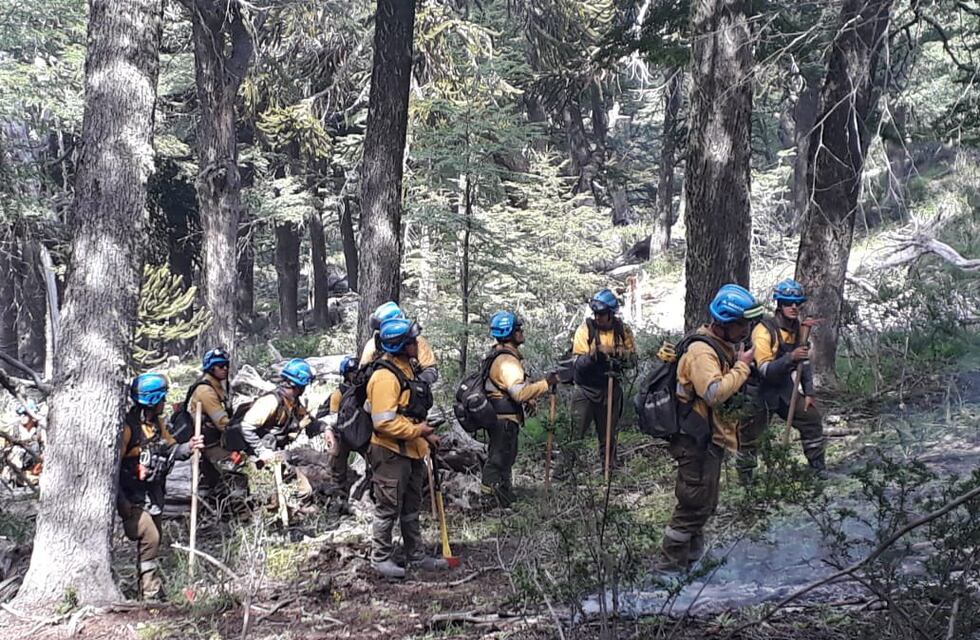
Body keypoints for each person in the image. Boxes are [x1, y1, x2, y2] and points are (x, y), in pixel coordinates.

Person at [656, 284, 762, 571]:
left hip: (706, 439)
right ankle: (668, 570)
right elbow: (713, 392)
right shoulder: (702, 352)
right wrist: (742, 368)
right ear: (724, 323)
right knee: (692, 505)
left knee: (703, 505)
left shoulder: (719, 346)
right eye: (742, 324)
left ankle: (691, 565)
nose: (746, 330)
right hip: (694, 441)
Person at [366, 317, 444, 578]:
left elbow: (409, 411)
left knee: (412, 506)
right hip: (390, 453)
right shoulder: (385, 377)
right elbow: (383, 422)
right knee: (388, 507)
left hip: (411, 449)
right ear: (402, 345)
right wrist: (417, 431)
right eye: (412, 341)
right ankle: (381, 558)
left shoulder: (407, 369)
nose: (417, 344)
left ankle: (416, 556)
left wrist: (425, 437)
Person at [118, 373, 203, 599]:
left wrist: (189, 446)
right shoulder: (128, 429)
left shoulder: (157, 424)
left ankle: (144, 587)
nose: (165, 403)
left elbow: (172, 449)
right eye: (162, 399)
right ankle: (151, 592)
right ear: (153, 400)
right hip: (132, 496)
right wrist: (122, 502)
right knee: (151, 536)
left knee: (154, 540)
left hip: (153, 494)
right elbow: (113, 469)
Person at [739, 279, 826, 483]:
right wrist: (791, 358)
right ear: (779, 304)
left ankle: (817, 469)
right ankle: (746, 483)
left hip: (784, 390)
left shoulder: (798, 328)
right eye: (788, 303)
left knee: (811, 418)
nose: (794, 307)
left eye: (797, 303)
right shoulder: (763, 330)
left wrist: (810, 392)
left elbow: (803, 363)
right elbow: (765, 370)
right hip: (758, 392)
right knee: (750, 438)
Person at [481, 311, 557, 506]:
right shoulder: (507, 362)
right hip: (504, 420)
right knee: (498, 461)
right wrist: (546, 384)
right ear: (509, 334)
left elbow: (513, 389)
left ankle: (505, 498)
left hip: (502, 418)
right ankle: (490, 501)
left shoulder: (501, 357)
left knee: (505, 460)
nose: (522, 332)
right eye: (518, 329)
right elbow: (519, 393)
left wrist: (529, 399)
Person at [569, 289, 637, 470]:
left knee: (608, 435)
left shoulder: (623, 331)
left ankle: (610, 468)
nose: (598, 317)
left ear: (611, 314)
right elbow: (577, 365)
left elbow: (632, 360)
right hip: (586, 389)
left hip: (611, 389)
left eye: (602, 314)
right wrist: (594, 355)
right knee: (575, 434)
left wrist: (618, 354)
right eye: (596, 313)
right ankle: (565, 472)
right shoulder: (585, 331)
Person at [232, 358, 323, 463]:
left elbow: (307, 420)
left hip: (275, 448)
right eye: (304, 386)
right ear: (298, 386)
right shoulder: (271, 401)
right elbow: (246, 427)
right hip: (255, 453)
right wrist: (262, 451)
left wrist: (326, 428)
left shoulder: (292, 402)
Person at [186, 348, 239, 492]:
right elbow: (222, 423)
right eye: (221, 366)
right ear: (211, 368)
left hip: (218, 441)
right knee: (239, 468)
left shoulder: (218, 387)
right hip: (207, 446)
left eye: (226, 365)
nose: (225, 369)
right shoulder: (206, 391)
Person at [320, 355, 362, 513]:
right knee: (337, 472)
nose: (356, 374)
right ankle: (338, 501)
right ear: (346, 374)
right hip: (342, 436)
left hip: (360, 434)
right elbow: (333, 418)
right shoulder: (338, 394)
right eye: (352, 372)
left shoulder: (361, 390)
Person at [359, 301, 439, 385]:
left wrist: (412, 385)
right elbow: (363, 375)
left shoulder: (416, 341)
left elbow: (431, 370)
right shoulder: (372, 346)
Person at [1, 401, 44, 484]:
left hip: (33, 465)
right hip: (13, 465)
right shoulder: (13, 429)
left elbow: (46, 451)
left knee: (35, 446)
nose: (22, 416)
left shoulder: (40, 431)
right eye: (21, 414)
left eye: (25, 414)